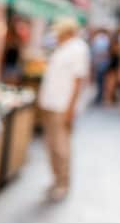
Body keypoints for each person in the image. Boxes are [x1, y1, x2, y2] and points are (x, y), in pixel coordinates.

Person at [37, 17, 90, 202]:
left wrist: (71, 109)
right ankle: (55, 178)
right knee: (51, 144)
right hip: (50, 103)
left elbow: (78, 82)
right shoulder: (63, 47)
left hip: (62, 106)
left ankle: (63, 183)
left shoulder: (78, 49)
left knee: (61, 146)